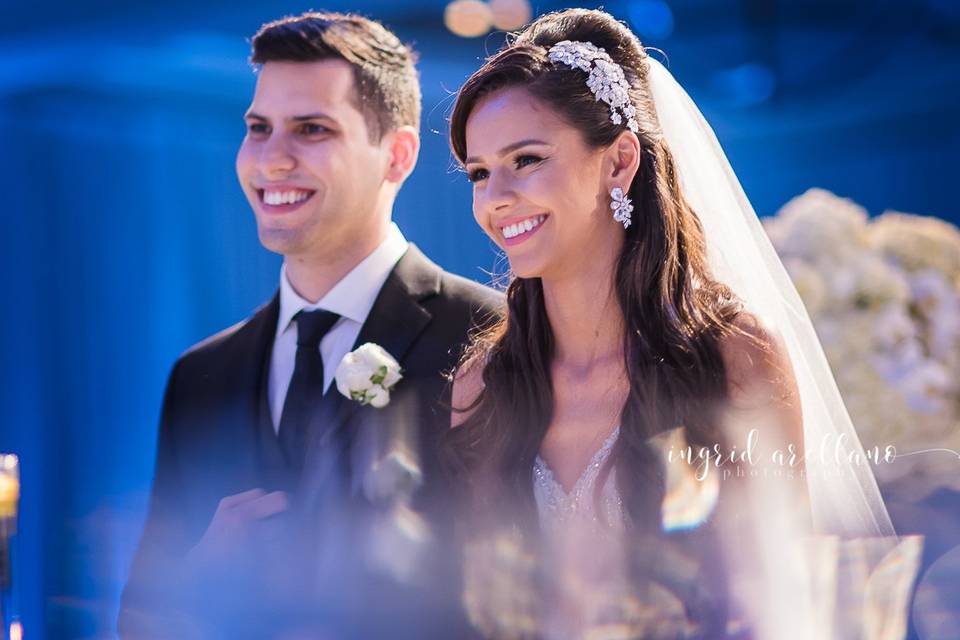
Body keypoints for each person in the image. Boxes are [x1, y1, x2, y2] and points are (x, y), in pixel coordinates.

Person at [445, 8, 897, 639]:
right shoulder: (481, 387)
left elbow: (776, 605)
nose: (495, 198)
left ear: (620, 161)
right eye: (479, 173)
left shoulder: (734, 360)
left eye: (526, 160)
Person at [119, 11, 501, 639]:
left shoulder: (489, 336)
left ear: (397, 156)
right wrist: (203, 575)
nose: (271, 161)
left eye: (311, 129)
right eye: (258, 128)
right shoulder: (200, 377)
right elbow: (137, 623)